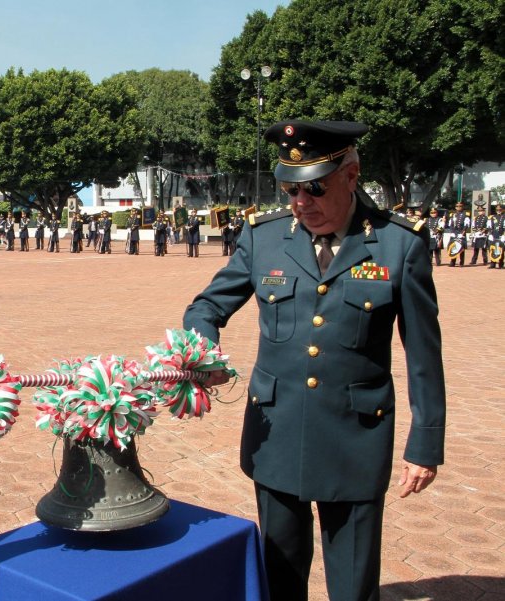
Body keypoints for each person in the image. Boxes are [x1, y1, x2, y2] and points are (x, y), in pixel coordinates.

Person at [183, 120, 445, 601]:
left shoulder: (398, 244)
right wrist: (203, 354)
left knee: (352, 584)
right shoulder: (265, 238)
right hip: (277, 432)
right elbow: (205, 307)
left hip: (355, 439)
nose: (302, 203)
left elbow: (424, 354)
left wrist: (425, 444)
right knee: (280, 575)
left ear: (351, 174)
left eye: (315, 188)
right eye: (291, 190)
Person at [447, 201, 470, 267]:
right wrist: (452, 232)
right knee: (453, 246)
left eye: (460, 206)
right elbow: (450, 224)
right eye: (457, 206)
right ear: (455, 207)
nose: (458, 207)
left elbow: (466, 224)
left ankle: (461, 262)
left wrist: (463, 232)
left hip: (461, 232)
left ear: (462, 207)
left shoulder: (466, 214)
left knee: (461, 248)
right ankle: (452, 261)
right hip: (454, 232)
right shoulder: (453, 214)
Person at [490, 203, 505, 270]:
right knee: (493, 249)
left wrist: (504, 235)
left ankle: (501, 264)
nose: (498, 210)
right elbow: (490, 226)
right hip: (494, 235)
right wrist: (490, 234)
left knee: (501, 250)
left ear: (503, 210)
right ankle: (493, 264)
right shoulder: (493, 217)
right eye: (497, 209)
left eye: (500, 209)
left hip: (502, 235)